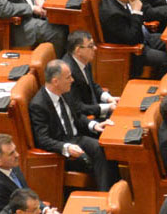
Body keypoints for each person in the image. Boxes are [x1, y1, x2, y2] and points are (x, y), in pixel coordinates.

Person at [29, 59, 115, 190]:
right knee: (97, 154)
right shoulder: (38, 105)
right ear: (55, 81)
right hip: (61, 147)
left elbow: (77, 116)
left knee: (106, 145)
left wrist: (93, 125)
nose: (72, 80)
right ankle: (104, 193)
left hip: (77, 136)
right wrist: (66, 147)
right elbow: (43, 139)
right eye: (68, 77)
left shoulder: (66, 92)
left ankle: (111, 190)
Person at [100, 0, 167, 78]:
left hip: (144, 35)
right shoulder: (113, 15)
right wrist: (137, 12)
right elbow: (132, 39)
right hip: (133, 50)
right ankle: (162, 84)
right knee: (166, 60)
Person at [0, 134, 61, 214]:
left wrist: (45, 210)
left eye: (15, 150)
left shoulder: (11, 166)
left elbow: (27, 194)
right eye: (11, 153)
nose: (17, 155)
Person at [62, 30, 117, 118]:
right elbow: (77, 107)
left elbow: (92, 86)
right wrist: (107, 107)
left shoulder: (84, 61)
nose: (95, 48)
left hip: (93, 106)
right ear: (78, 50)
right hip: (85, 117)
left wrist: (109, 98)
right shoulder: (68, 73)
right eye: (90, 46)